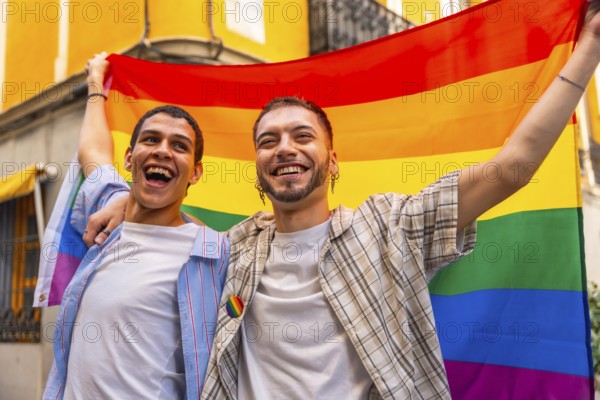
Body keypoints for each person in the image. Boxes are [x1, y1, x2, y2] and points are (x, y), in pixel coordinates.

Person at [84, 2, 600, 398]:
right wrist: (124, 196)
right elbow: (114, 176)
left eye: (302, 136)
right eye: (269, 140)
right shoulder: (233, 249)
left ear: (332, 162)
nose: (285, 147)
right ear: (259, 171)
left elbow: (513, 167)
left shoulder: (390, 227)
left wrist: (590, 47)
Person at [43, 53, 229, 399]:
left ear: (196, 172)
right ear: (129, 158)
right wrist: (96, 79)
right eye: (150, 140)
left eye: (179, 146)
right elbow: (93, 152)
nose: (162, 151)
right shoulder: (109, 220)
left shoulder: (213, 252)